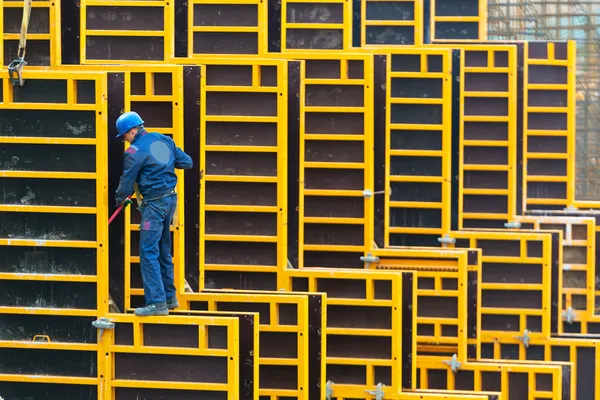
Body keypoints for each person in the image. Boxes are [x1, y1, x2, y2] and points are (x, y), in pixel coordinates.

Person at [114, 111, 193, 316]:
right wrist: (162, 164)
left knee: (148, 252)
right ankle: (169, 297)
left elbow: (126, 182)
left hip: (154, 205)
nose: (124, 139)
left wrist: (118, 199)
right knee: (163, 248)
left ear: (132, 130)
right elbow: (186, 163)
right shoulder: (162, 140)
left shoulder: (134, 152)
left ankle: (157, 303)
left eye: (124, 135)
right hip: (170, 201)